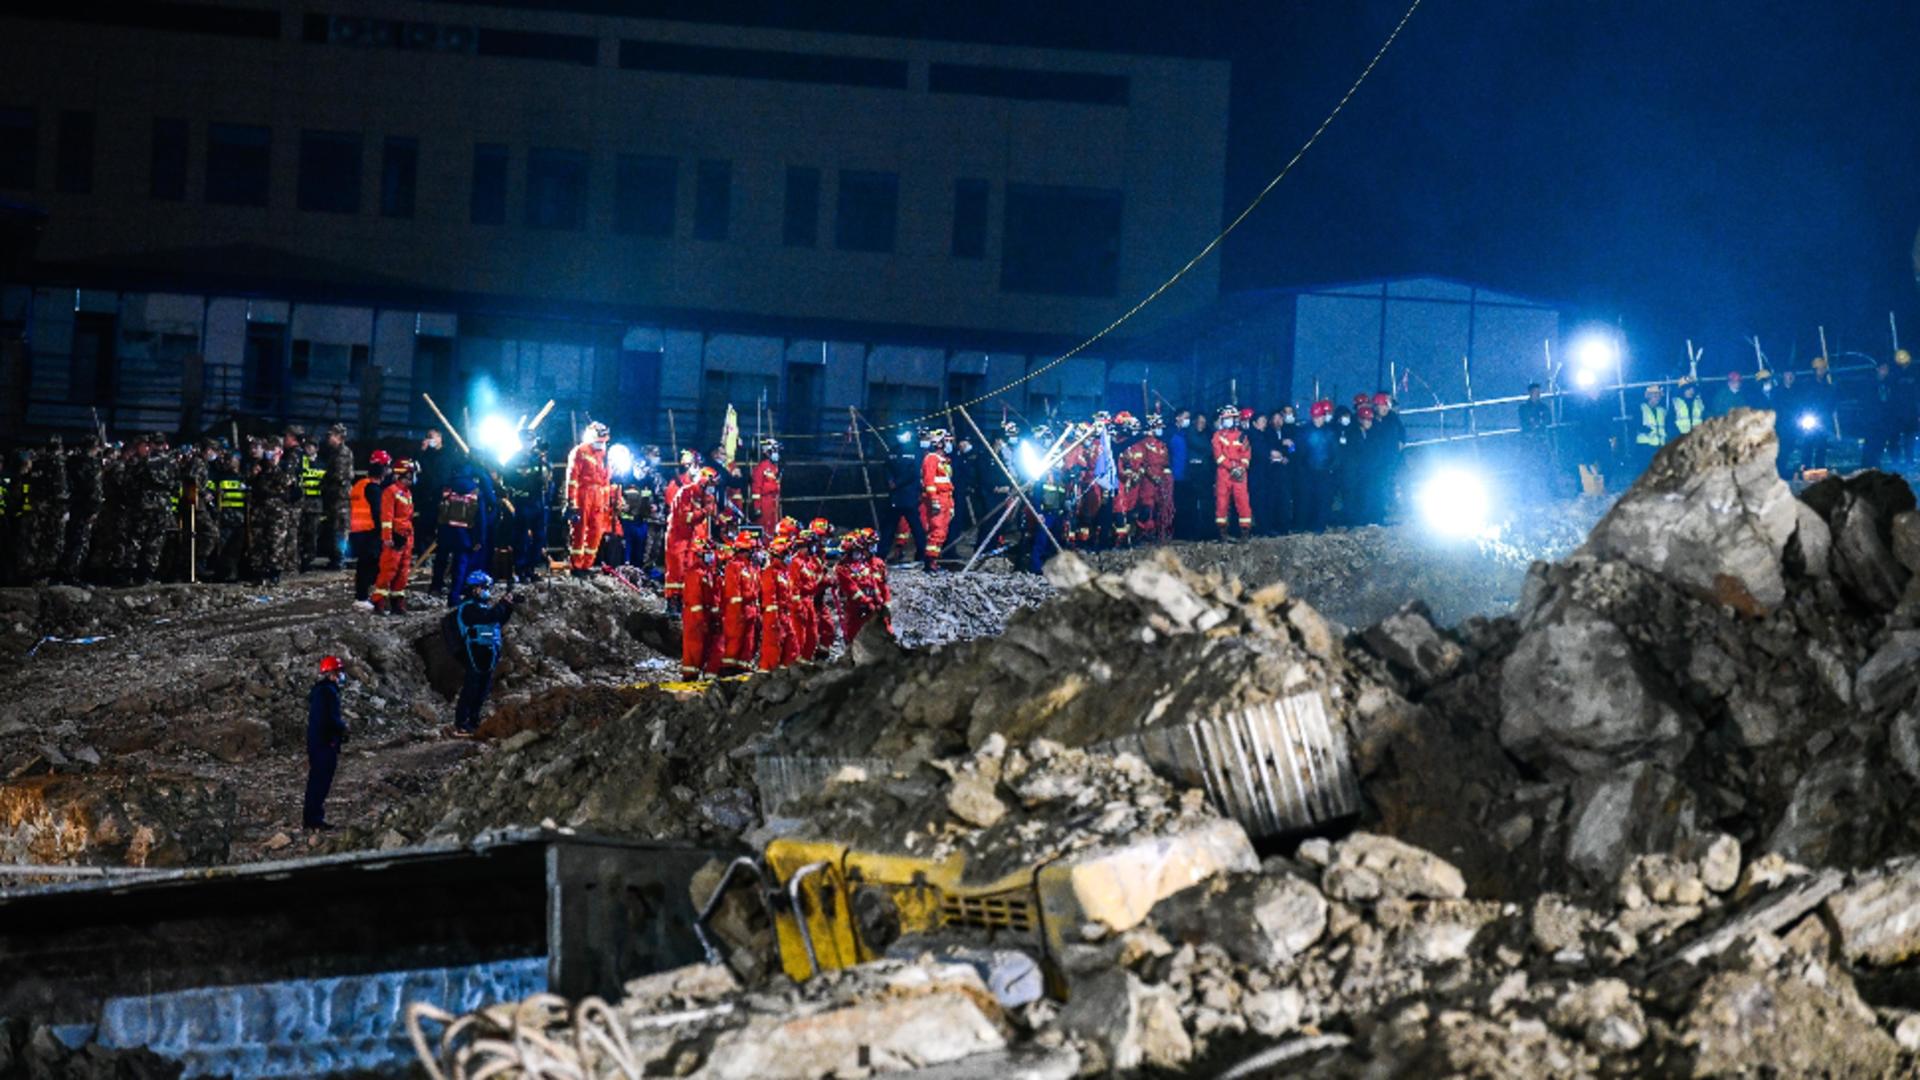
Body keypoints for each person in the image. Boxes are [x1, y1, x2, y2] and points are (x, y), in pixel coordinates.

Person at [450, 571, 517, 734]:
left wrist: (507, 607)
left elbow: (497, 620)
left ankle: (474, 719)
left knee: (483, 688)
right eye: (484, 587)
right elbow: (488, 617)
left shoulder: (483, 606)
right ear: (475, 589)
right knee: (471, 687)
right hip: (474, 651)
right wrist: (502, 603)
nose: (487, 590)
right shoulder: (468, 608)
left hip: (488, 652)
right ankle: (462, 721)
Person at [304, 655, 348, 830]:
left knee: (318, 780)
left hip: (320, 742)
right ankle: (313, 820)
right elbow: (328, 719)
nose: (342, 675)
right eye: (339, 671)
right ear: (331, 673)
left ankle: (312, 818)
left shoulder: (324, 691)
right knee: (320, 782)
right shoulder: (327, 692)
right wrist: (340, 729)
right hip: (323, 744)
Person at [565, 422, 613, 575]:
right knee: (579, 529)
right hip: (583, 494)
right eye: (600, 440)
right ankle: (576, 565)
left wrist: (606, 502)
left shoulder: (603, 454)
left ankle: (587, 564)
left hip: (598, 496)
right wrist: (570, 500)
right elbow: (572, 478)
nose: (602, 443)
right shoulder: (580, 451)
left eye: (604, 440)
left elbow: (606, 480)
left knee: (596, 531)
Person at [371, 458, 416, 614]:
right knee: (389, 569)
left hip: (406, 537)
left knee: (403, 571)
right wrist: (388, 537)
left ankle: (397, 602)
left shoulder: (407, 493)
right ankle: (379, 602)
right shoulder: (391, 491)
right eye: (408, 476)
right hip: (395, 537)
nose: (411, 479)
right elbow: (387, 517)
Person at [349, 450, 390, 604]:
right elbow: (378, 513)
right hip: (370, 532)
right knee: (368, 566)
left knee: (364, 566)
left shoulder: (359, 484)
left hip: (357, 531)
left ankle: (362, 595)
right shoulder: (373, 489)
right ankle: (362, 598)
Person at [720, 530, 761, 673]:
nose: (754, 553)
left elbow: (757, 589)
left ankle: (743, 667)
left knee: (748, 642)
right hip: (737, 612)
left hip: (750, 611)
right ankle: (728, 670)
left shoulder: (751, 568)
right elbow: (733, 593)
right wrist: (739, 612)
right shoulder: (734, 566)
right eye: (752, 550)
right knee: (734, 641)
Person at [1295, 401, 1337, 531]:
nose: (1318, 420)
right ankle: (1303, 525)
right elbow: (1297, 450)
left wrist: (1331, 468)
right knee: (1306, 499)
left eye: (1320, 417)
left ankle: (1319, 526)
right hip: (1308, 471)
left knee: (1323, 499)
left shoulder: (1330, 432)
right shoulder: (1304, 431)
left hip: (1324, 471)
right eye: (1315, 417)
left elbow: (1335, 452)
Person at [886, 431, 928, 564]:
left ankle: (922, 554)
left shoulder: (915, 452)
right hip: (895, 497)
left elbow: (914, 473)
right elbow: (886, 466)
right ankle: (882, 554)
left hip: (909, 495)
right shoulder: (893, 450)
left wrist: (897, 483)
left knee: (916, 527)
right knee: (889, 527)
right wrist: (890, 481)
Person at [1212, 406, 1253, 540]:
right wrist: (1231, 467)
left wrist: (1241, 468)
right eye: (1225, 419)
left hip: (1239, 473)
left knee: (1243, 501)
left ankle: (1245, 533)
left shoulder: (1242, 436)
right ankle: (1222, 533)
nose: (1227, 421)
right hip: (1224, 472)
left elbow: (1246, 454)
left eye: (1230, 418)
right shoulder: (1217, 436)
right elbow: (1218, 456)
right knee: (1222, 502)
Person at [319, 423, 354, 570]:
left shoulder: (343, 453)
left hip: (340, 499)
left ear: (339, 437)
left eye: (331, 435)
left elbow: (338, 476)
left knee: (340, 529)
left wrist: (325, 484)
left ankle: (339, 559)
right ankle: (336, 558)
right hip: (335, 498)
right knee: (335, 529)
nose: (329, 438)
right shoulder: (335, 453)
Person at [1633, 384, 1669, 477]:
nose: (1657, 398)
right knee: (1643, 470)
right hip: (1645, 445)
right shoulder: (1640, 408)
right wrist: (1644, 429)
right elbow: (1635, 425)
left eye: (1659, 396)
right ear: (1648, 396)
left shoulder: (1662, 410)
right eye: (1655, 395)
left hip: (1659, 444)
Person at [1167, 409, 1193, 539]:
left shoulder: (1186, 433)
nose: (1187, 420)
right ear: (1177, 417)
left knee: (1186, 505)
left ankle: (1186, 532)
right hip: (1175, 475)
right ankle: (1175, 532)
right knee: (1175, 505)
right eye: (1185, 417)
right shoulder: (1170, 433)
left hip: (1187, 474)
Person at [751, 438, 782, 532]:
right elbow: (756, 488)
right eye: (774, 450)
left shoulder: (775, 467)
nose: (776, 453)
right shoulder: (761, 468)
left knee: (774, 526)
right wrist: (757, 507)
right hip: (764, 502)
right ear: (767, 452)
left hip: (774, 501)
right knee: (765, 526)